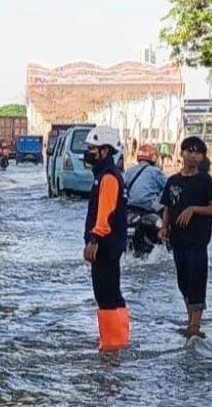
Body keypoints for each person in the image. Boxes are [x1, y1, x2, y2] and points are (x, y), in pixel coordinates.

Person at [159, 136, 212, 338]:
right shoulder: (173, 181)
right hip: (178, 240)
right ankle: (189, 319)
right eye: (190, 151)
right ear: (182, 153)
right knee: (183, 281)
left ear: (202, 157)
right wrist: (163, 227)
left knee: (197, 280)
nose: (193, 156)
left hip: (198, 240)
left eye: (198, 153)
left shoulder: (206, 181)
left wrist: (193, 209)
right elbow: (168, 207)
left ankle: (195, 326)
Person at [82, 125, 130, 352]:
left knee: (106, 295)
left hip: (105, 245)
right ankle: (118, 340)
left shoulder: (108, 178)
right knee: (112, 293)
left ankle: (112, 345)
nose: (88, 152)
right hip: (111, 244)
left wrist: (94, 238)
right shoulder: (106, 176)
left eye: (92, 148)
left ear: (104, 151)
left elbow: (105, 211)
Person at [124, 144, 167, 211]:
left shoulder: (130, 170)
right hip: (148, 205)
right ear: (154, 158)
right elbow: (168, 186)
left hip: (130, 205)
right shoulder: (155, 171)